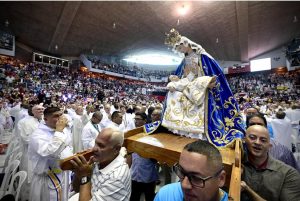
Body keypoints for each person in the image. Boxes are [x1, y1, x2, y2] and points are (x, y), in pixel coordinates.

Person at [162, 29, 244, 147]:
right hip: (191, 83)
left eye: (180, 48)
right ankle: (179, 128)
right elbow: (187, 75)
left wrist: (201, 81)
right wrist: (177, 78)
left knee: (194, 90)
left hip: (202, 83)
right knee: (173, 92)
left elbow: (210, 73)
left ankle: (199, 131)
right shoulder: (185, 59)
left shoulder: (203, 56)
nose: (180, 51)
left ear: (186, 44)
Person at [70, 127, 131, 201]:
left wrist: (84, 176)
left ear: (116, 149)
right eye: (95, 143)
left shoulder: (117, 177)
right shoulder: (99, 160)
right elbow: (77, 189)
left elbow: (84, 182)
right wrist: (78, 171)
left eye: (101, 146)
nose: (94, 149)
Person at [154, 140, 228, 201]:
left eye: (196, 178)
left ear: (220, 179)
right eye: (182, 173)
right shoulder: (165, 195)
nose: (184, 185)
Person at [241, 125, 300, 200]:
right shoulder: (237, 164)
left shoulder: (288, 174)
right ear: (244, 140)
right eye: (252, 138)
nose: (257, 142)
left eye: (263, 140)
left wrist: (247, 190)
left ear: (270, 146)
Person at [28, 107, 73, 201]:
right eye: (56, 116)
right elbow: (49, 153)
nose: (60, 118)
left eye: (61, 115)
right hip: (48, 177)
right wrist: (59, 132)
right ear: (45, 119)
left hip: (63, 174)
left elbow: (68, 148)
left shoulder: (63, 130)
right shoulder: (38, 134)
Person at [128, 112, 159, 201]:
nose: (136, 121)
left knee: (149, 197)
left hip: (148, 173)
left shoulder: (151, 135)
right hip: (134, 173)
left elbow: (155, 156)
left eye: (138, 119)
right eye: (135, 119)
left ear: (145, 121)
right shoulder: (132, 134)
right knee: (134, 197)